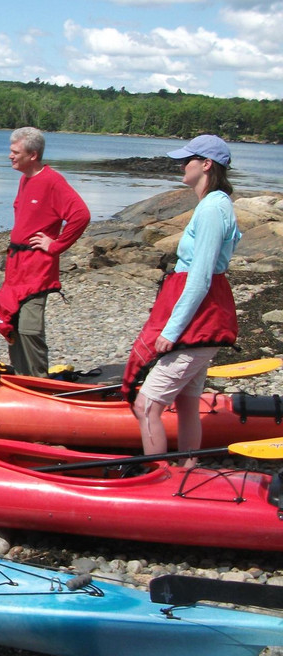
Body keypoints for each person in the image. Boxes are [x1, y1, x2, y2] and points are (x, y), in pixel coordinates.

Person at [122, 135, 240, 467]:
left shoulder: (214, 208)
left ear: (206, 165)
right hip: (202, 321)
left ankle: (156, 477)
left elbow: (200, 277)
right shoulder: (212, 204)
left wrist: (171, 331)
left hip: (200, 324)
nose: (181, 165)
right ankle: (189, 469)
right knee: (188, 403)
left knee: (145, 405)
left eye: (187, 160)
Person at [0, 127, 90, 376]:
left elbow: (81, 215)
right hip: (16, 267)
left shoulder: (52, 181)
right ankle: (23, 379)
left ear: (32, 155)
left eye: (15, 152)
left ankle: (40, 382)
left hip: (37, 268)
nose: (10, 156)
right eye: (10, 151)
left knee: (29, 329)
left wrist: (55, 245)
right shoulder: (25, 179)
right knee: (10, 322)